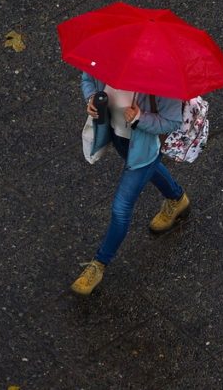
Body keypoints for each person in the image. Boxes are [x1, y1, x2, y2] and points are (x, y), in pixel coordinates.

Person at [71, 72, 190, 296]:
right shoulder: (108, 55)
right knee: (150, 169)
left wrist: (139, 118)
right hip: (119, 138)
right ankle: (177, 198)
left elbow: (172, 120)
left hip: (143, 146)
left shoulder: (162, 77)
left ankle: (99, 263)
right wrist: (91, 98)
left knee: (121, 208)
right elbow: (87, 79)